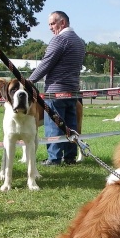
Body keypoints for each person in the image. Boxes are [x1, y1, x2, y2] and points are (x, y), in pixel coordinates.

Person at [29, 11, 86, 166]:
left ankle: (54, 159)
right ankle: (70, 157)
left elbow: (46, 63)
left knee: (53, 126)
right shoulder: (80, 42)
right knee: (71, 126)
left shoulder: (59, 39)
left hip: (55, 91)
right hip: (73, 91)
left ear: (63, 23)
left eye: (52, 23)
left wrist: (28, 81)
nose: (50, 27)